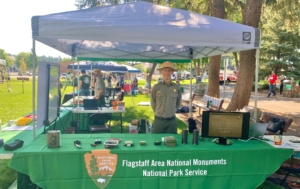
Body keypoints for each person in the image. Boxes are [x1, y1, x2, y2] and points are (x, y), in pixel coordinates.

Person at [150, 61, 182, 134]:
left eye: (169, 71)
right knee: (156, 143)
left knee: (171, 143)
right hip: (158, 121)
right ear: (162, 72)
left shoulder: (177, 88)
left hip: (171, 122)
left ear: (172, 72)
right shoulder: (156, 87)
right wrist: (160, 113)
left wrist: (171, 111)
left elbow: (178, 103)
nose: (167, 73)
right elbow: (153, 103)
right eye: (165, 70)